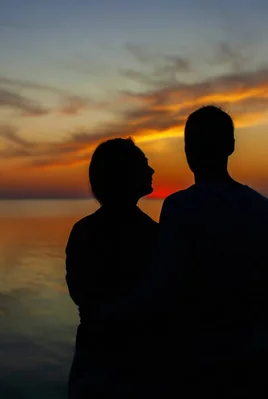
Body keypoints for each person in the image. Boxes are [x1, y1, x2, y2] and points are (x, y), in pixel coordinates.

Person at [99, 106, 268, 398]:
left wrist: (112, 314)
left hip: (196, 367)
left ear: (188, 150)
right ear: (232, 146)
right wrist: (260, 345)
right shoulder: (266, 210)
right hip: (254, 365)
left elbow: (164, 285)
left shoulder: (179, 207)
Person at [65, 138, 158, 399]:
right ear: (125, 174)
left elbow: (80, 294)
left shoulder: (83, 231)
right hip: (133, 364)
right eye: (144, 164)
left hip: (93, 360)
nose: (151, 171)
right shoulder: (151, 234)